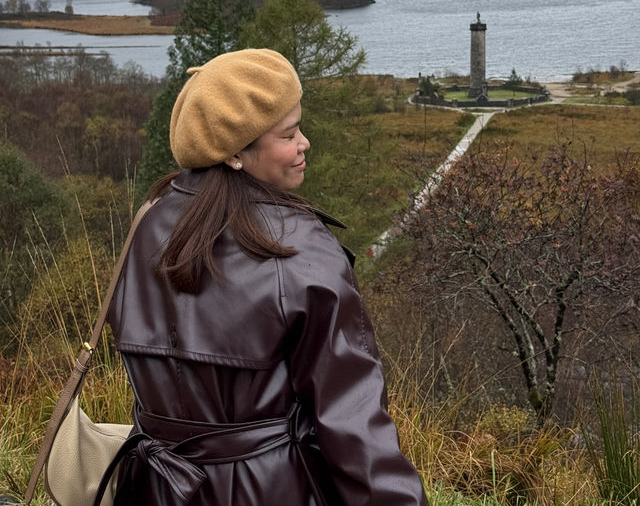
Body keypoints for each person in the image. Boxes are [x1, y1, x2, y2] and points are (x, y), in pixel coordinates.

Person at [107, 48, 428, 505]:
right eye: (289, 133)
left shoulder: (149, 223)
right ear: (237, 152)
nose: (305, 143)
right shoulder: (299, 249)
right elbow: (353, 420)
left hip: (152, 487)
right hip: (268, 489)